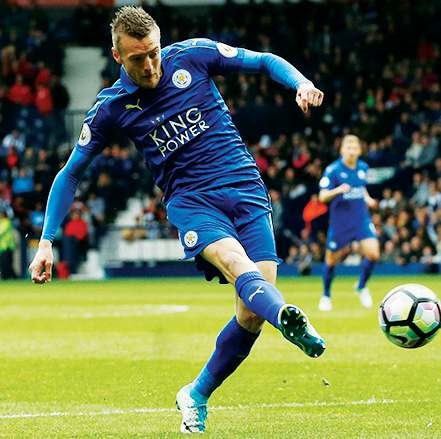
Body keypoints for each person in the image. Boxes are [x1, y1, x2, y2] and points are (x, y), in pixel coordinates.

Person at [28, 6, 326, 434]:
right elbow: (70, 173)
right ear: (117, 57)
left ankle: (196, 393)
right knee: (237, 265)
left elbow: (262, 60)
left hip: (245, 189)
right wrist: (46, 240)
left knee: (250, 315)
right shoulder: (111, 107)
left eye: (154, 53)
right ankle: (288, 319)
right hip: (192, 202)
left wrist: (301, 83)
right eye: (138, 59)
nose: (150, 65)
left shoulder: (193, 55)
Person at [317, 134, 380, 312]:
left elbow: (361, 187)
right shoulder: (333, 170)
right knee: (331, 260)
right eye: (348, 147)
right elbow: (322, 196)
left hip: (361, 219)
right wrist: (338, 190)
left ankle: (361, 286)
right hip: (340, 223)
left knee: (373, 254)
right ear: (342, 150)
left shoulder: (363, 167)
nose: (351, 151)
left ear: (359, 151)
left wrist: (368, 199)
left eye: (355, 148)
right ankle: (326, 295)